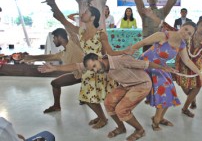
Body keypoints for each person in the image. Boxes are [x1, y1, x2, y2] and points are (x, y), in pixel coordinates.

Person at [40, 0, 130, 129]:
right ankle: (102, 118)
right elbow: (62, 19)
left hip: (99, 70)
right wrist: (53, 4)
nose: (82, 14)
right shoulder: (81, 32)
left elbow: (110, 53)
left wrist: (125, 52)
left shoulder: (101, 34)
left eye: (86, 13)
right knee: (88, 98)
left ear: (93, 17)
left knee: (105, 100)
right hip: (87, 70)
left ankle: (115, 123)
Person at [38, 53, 176, 141]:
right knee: (109, 103)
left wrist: (165, 69)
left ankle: (140, 130)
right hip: (126, 84)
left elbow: (146, 64)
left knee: (122, 109)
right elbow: (76, 66)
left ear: (99, 58)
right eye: (92, 69)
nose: (95, 70)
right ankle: (121, 128)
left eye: (95, 66)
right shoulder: (95, 64)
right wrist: (55, 68)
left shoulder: (121, 60)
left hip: (142, 84)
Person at [130, 11, 202, 131]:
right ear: (181, 27)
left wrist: (200, 74)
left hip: (161, 67)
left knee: (170, 90)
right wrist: (126, 55)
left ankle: (158, 117)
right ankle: (156, 121)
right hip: (147, 64)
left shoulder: (181, 45)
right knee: (164, 89)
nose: (186, 33)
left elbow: (187, 61)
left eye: (189, 33)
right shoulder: (163, 35)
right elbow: (142, 43)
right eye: (185, 29)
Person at [123, 0, 193, 51]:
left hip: (160, 42)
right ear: (148, 0)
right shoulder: (144, 12)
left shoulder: (162, 11)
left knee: (158, 62)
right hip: (147, 42)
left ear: (157, 0)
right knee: (146, 63)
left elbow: (171, 1)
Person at [21, 28, 84, 113]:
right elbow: (49, 57)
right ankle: (57, 106)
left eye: (54, 38)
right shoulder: (63, 53)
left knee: (55, 83)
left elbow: (72, 32)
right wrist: (32, 57)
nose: (53, 41)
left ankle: (58, 105)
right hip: (79, 75)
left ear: (59, 37)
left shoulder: (73, 44)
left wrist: (61, 18)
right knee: (55, 83)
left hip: (88, 74)